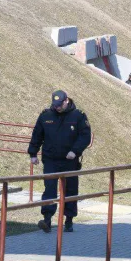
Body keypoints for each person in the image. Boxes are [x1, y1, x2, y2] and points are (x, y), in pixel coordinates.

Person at [28, 90, 91, 234]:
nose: (57, 107)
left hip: (70, 160)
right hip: (50, 159)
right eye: (55, 105)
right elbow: (37, 134)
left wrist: (74, 151)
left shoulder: (78, 116)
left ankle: (69, 220)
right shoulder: (46, 115)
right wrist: (33, 153)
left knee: (70, 190)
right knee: (49, 188)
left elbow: (85, 136)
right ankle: (47, 219)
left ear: (66, 101)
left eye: (59, 105)